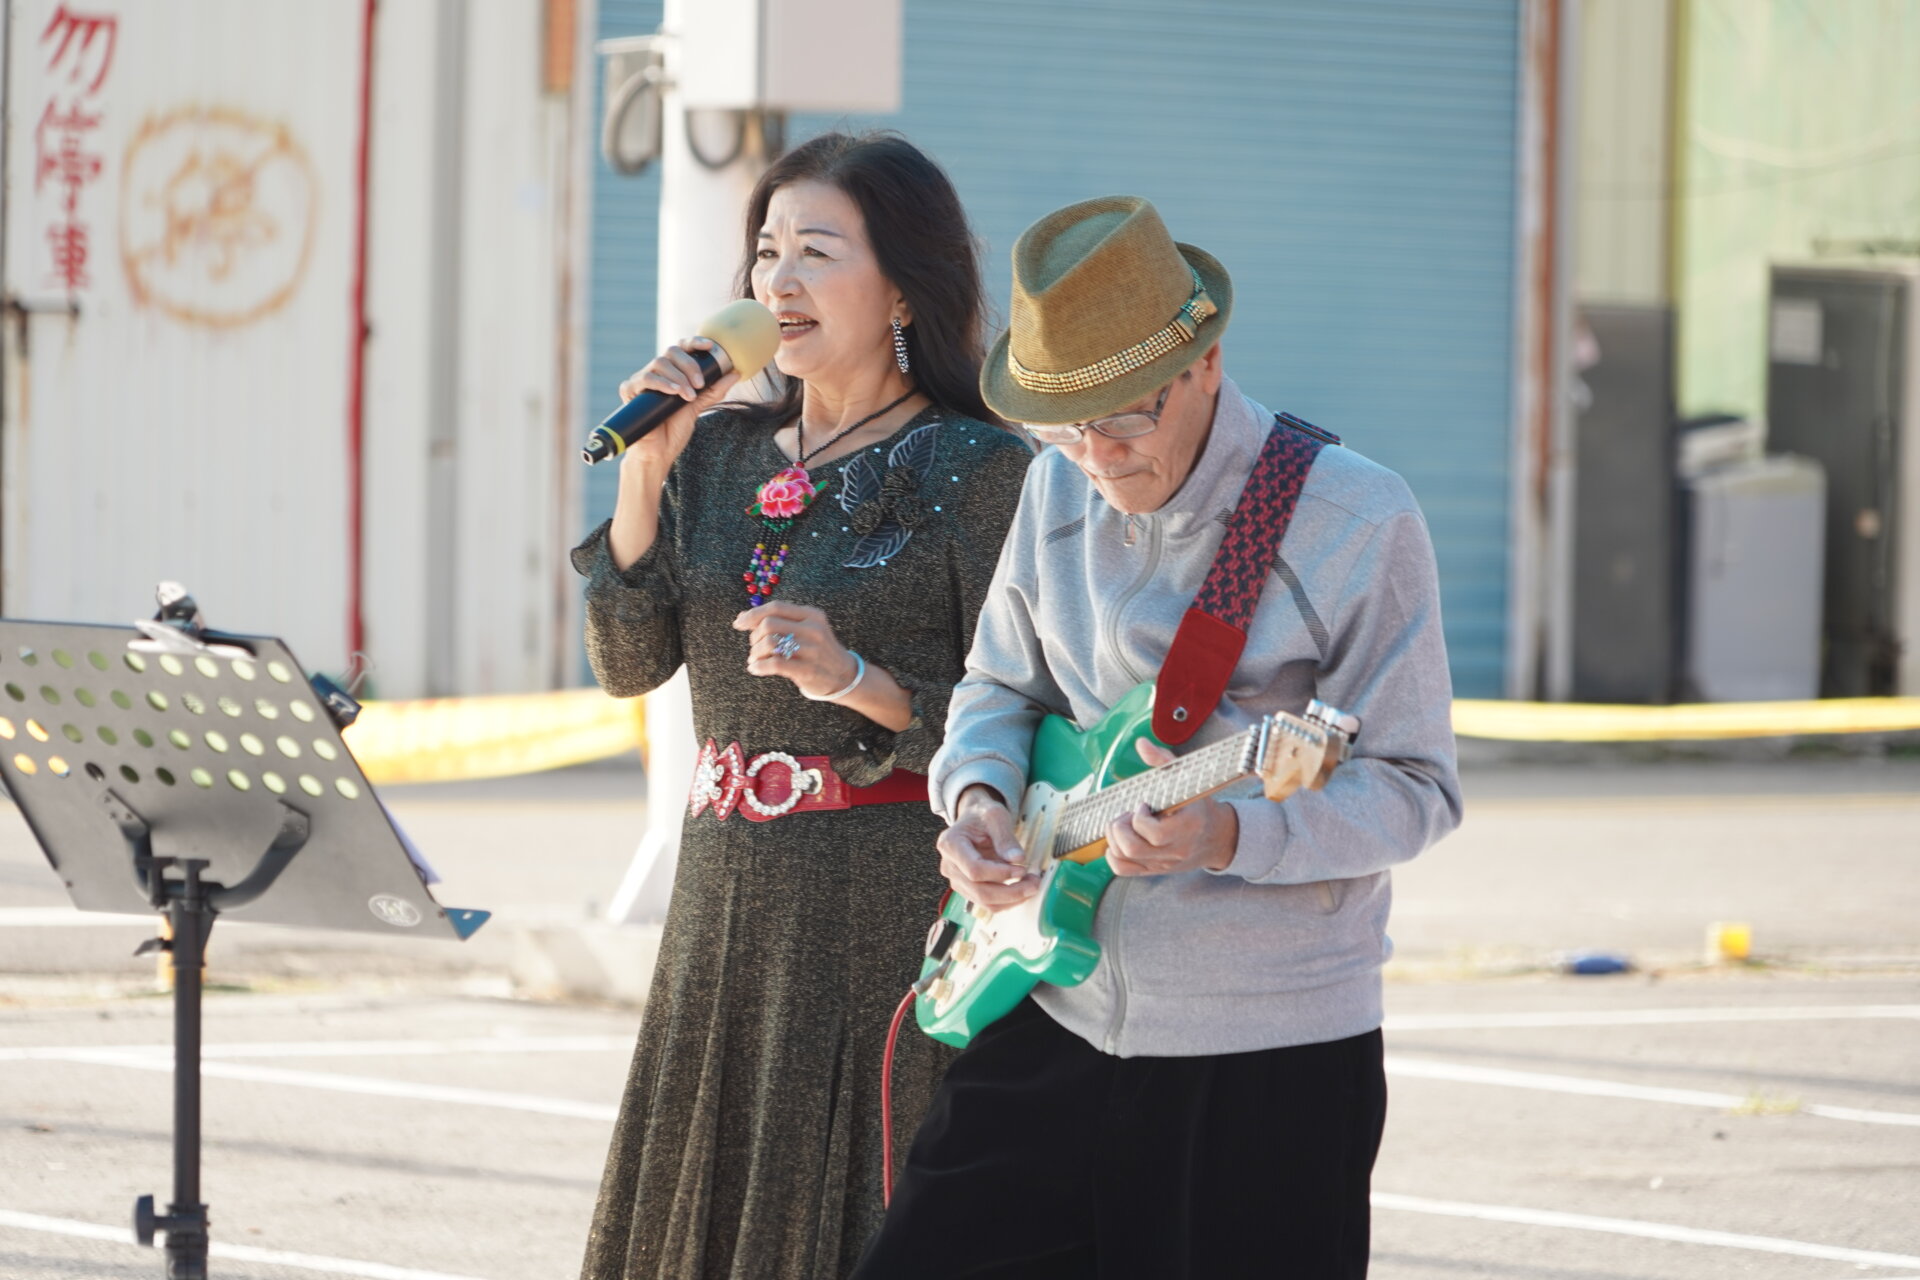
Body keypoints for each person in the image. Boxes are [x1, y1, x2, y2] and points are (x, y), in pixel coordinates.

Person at [854, 196, 1462, 1278]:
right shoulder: (1054, 488)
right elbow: (999, 681)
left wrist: (1227, 834)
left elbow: (1417, 788)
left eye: (1124, 418)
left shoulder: (1360, 519)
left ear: (1207, 360)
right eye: (1063, 424)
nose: (1096, 454)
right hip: (1052, 1004)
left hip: (1268, 1053)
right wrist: (979, 799)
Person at [573, 133, 1032, 1280]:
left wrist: (856, 680)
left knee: (863, 1212)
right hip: (724, 891)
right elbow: (627, 664)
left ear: (902, 289)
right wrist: (646, 470)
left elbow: (1026, 716)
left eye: (815, 252)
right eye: (765, 251)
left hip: (882, 893)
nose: (776, 282)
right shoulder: (715, 450)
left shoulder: (979, 466)